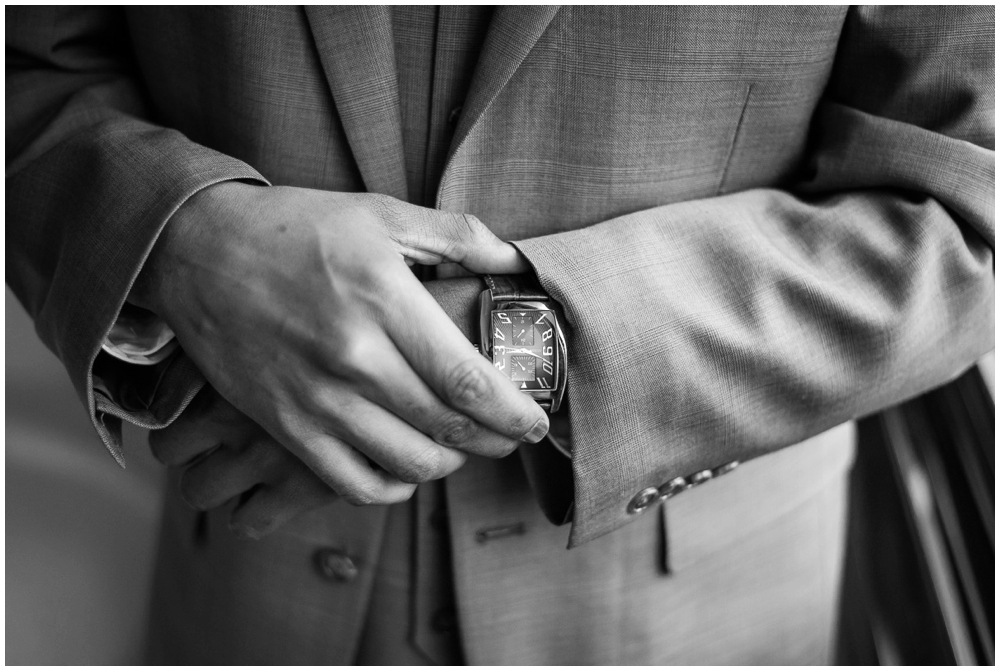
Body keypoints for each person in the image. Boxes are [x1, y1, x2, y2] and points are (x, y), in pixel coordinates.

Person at [6, 6, 993, 665]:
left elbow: (964, 212)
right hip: (251, 592)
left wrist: (504, 337)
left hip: (698, 620)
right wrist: (187, 240)